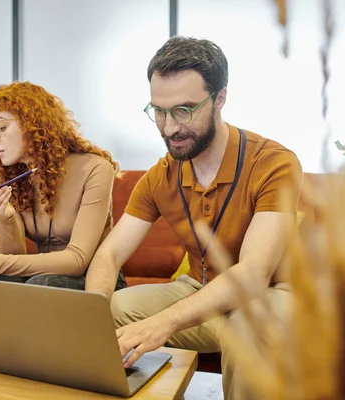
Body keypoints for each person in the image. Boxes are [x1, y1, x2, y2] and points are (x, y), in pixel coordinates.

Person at [84, 36, 303, 399]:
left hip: (272, 294)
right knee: (117, 307)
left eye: (184, 110)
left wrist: (163, 322)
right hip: (202, 289)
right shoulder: (161, 175)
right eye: (158, 111)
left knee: (254, 327)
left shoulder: (274, 164)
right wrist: (91, 310)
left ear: (220, 99)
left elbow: (253, 274)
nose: (169, 128)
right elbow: (108, 254)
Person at [0, 81, 127, 291]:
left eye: (2, 127)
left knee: (39, 285)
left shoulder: (95, 168)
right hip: (43, 278)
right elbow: (13, 261)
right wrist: (6, 217)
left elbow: (78, 260)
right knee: (2, 283)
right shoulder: (9, 175)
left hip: (97, 278)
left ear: (35, 124)